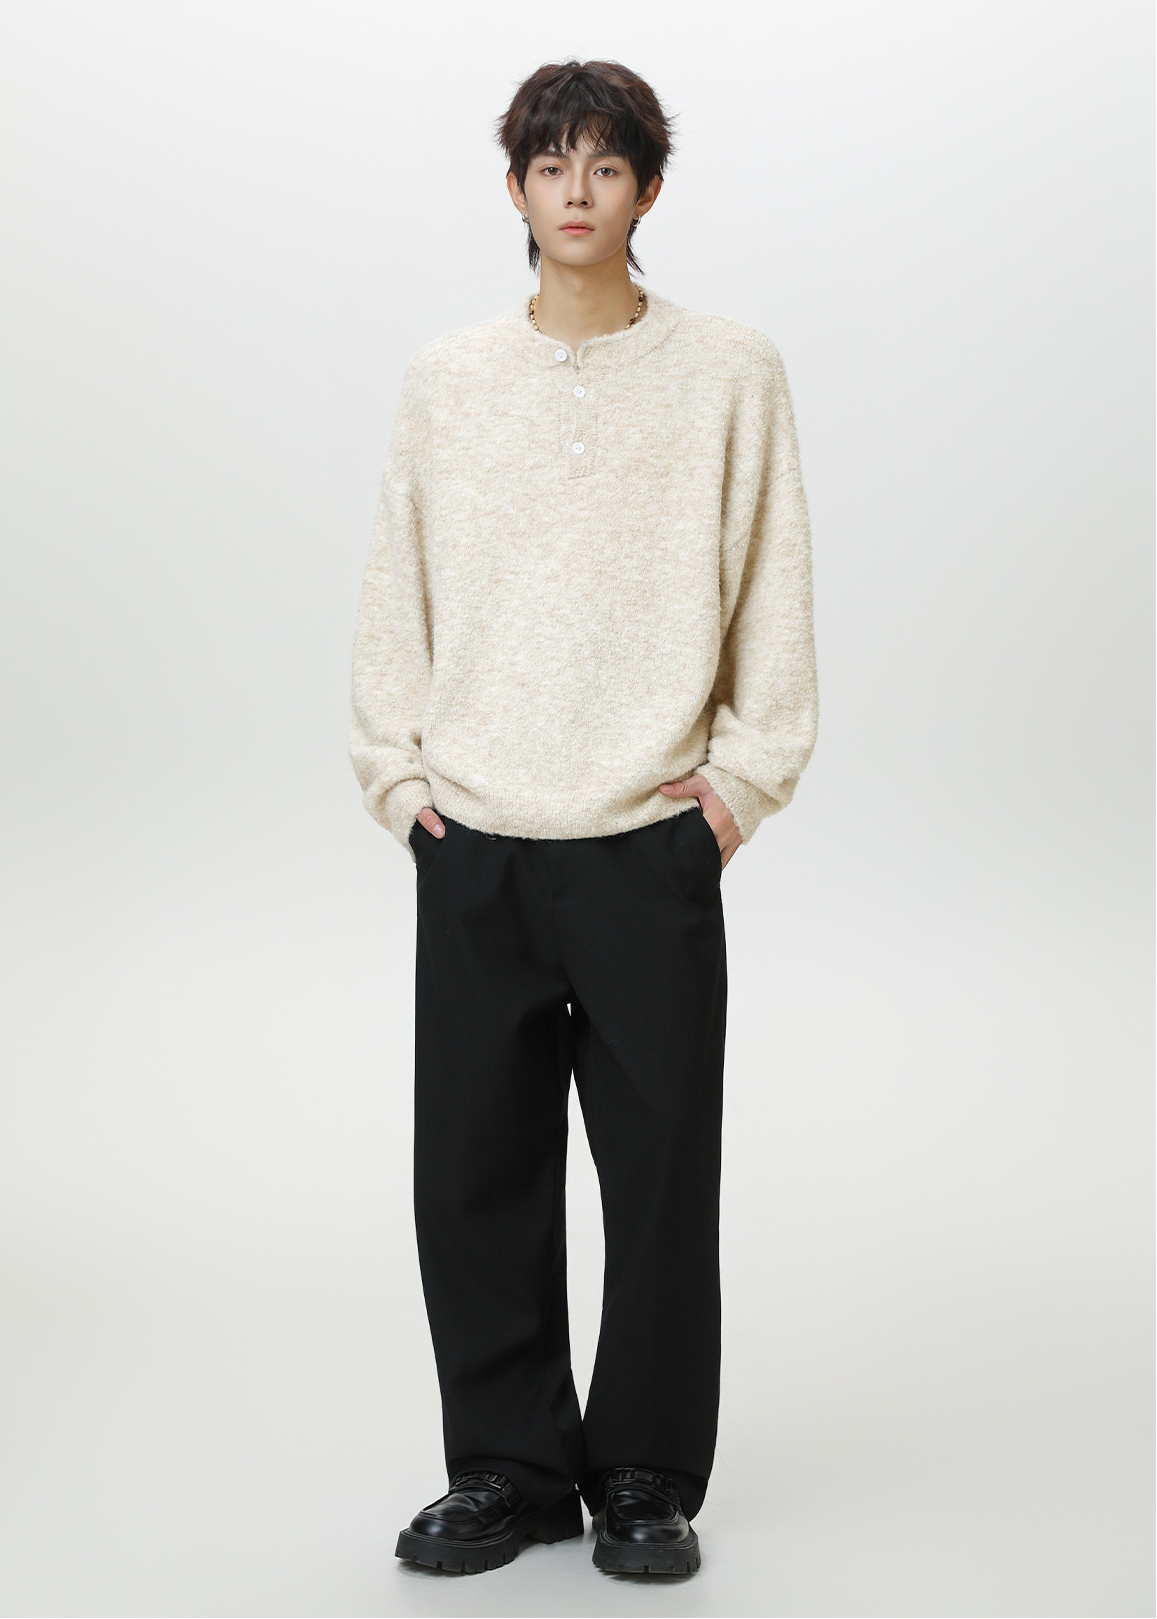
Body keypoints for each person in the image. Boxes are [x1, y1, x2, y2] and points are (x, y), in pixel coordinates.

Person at [349, 57, 818, 1579]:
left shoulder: (731, 372)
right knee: (474, 1174)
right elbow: (398, 588)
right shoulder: (448, 380)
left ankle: (644, 1474)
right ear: (514, 188)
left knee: (663, 1169)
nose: (575, 191)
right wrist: (401, 779)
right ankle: (503, 1467)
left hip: (647, 839)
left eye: (605, 165)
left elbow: (773, 585)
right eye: (549, 165)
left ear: (647, 190)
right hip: (477, 837)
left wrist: (738, 789)